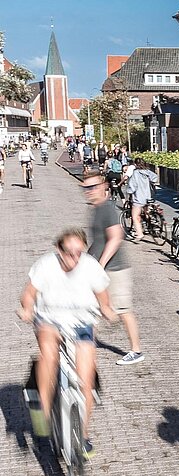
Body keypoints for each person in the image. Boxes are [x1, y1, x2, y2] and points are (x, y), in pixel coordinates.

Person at [17, 227, 116, 456]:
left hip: (81, 321)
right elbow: (29, 293)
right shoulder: (46, 265)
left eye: (78, 252)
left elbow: (102, 296)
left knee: (86, 376)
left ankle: (82, 434)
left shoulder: (90, 266)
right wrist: (27, 308)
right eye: (69, 252)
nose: (74, 258)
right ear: (58, 250)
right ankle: (43, 411)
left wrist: (107, 310)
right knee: (49, 356)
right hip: (49, 319)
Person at [83, 170, 144, 365]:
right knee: (91, 307)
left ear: (103, 187)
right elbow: (100, 240)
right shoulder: (97, 208)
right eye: (86, 188)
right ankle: (86, 344)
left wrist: (100, 265)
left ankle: (136, 350)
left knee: (124, 310)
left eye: (93, 187)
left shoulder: (107, 208)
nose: (89, 191)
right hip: (101, 269)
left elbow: (116, 237)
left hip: (115, 269)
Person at [126, 158, 158, 242]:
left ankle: (140, 234)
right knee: (147, 212)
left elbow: (133, 186)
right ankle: (152, 224)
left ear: (135, 165)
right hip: (149, 196)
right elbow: (155, 178)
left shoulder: (135, 173)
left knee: (135, 216)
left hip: (139, 197)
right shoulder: (147, 172)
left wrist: (129, 191)